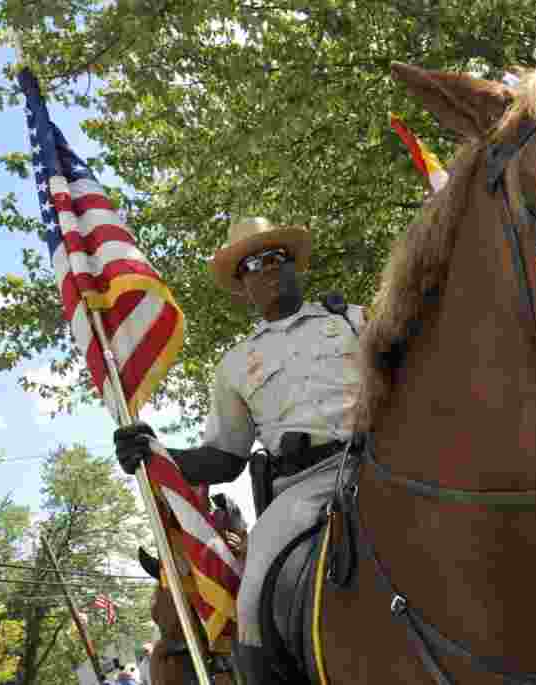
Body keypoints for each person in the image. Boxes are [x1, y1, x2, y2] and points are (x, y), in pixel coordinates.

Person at [113, 217, 364, 685]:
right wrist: (156, 455)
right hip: (302, 489)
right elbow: (225, 457)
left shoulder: (354, 319)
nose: (266, 269)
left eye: (276, 257)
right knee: (252, 605)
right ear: (242, 286)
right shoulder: (231, 366)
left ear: (295, 268)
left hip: (381, 462)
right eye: (252, 264)